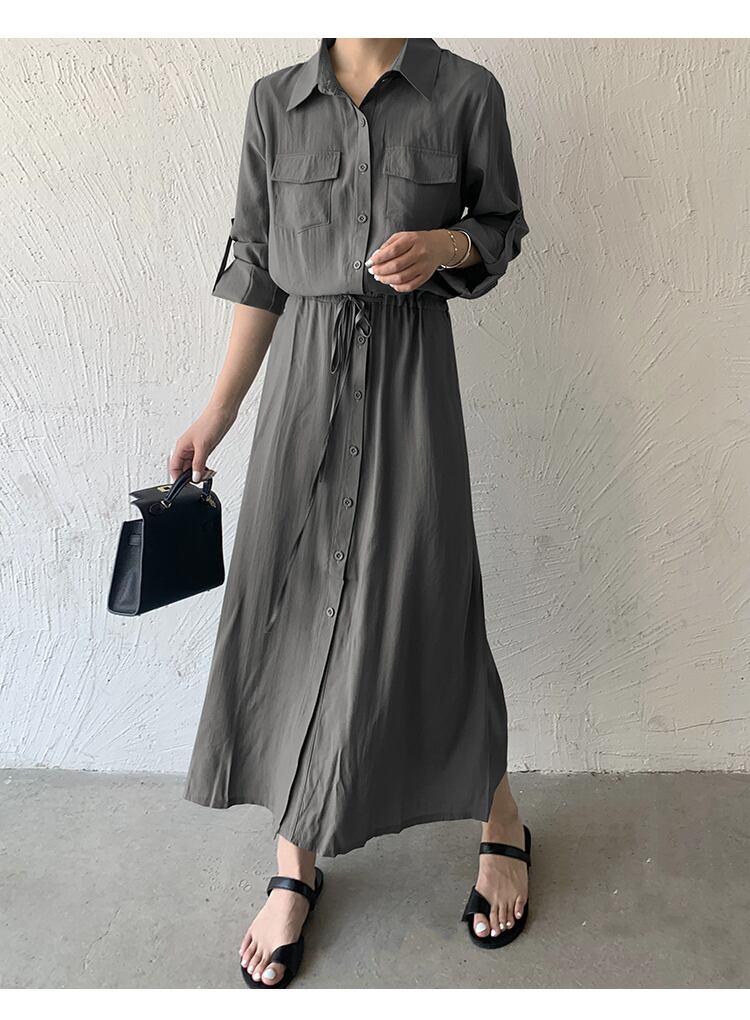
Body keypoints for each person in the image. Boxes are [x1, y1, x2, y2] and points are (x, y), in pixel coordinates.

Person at [171, 38, 530, 988]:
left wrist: (446, 245)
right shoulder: (273, 103)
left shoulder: (466, 93)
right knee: (291, 609)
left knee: (430, 602)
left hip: (413, 376)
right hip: (304, 385)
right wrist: (218, 412)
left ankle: (499, 815)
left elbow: (499, 225)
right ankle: (295, 862)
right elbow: (259, 268)